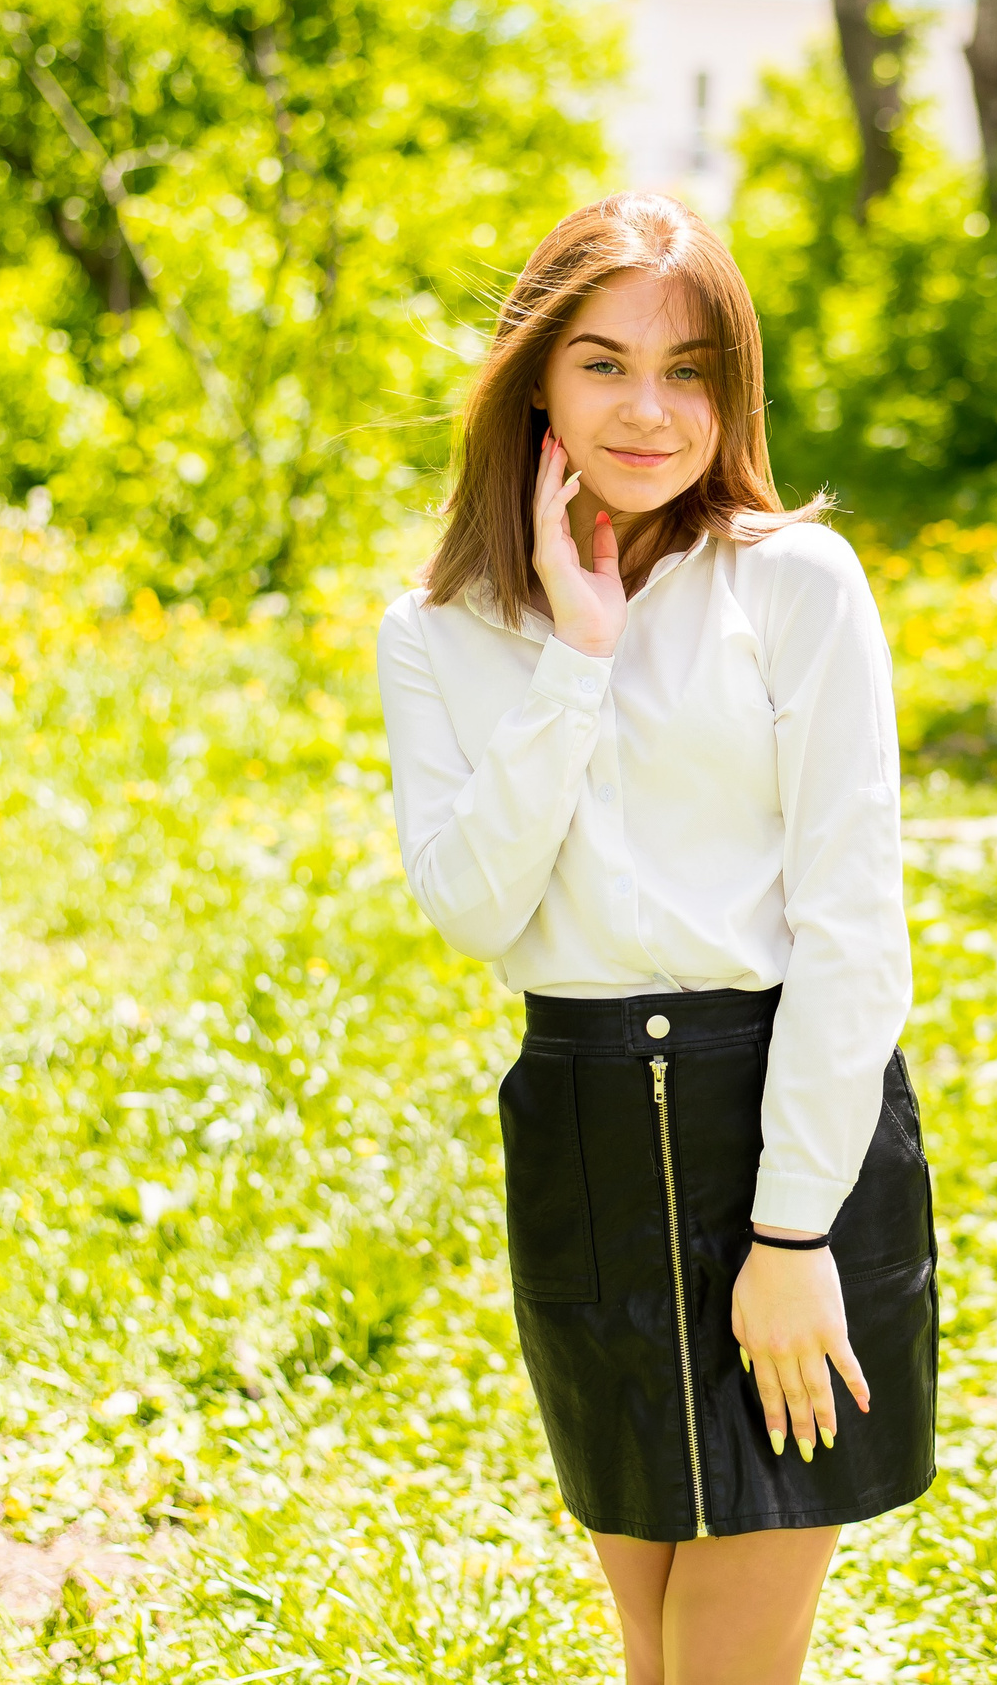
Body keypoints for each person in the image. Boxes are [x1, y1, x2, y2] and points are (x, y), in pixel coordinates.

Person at [376, 194, 932, 1685]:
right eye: (605, 363)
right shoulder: (436, 631)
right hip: (587, 1140)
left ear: (731, 391)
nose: (650, 409)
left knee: (728, 1653)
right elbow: (476, 905)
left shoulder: (793, 584)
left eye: (689, 370)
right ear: (536, 382)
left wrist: (792, 1233)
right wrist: (579, 652)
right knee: (655, 1644)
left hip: (784, 1129)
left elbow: (852, 929)